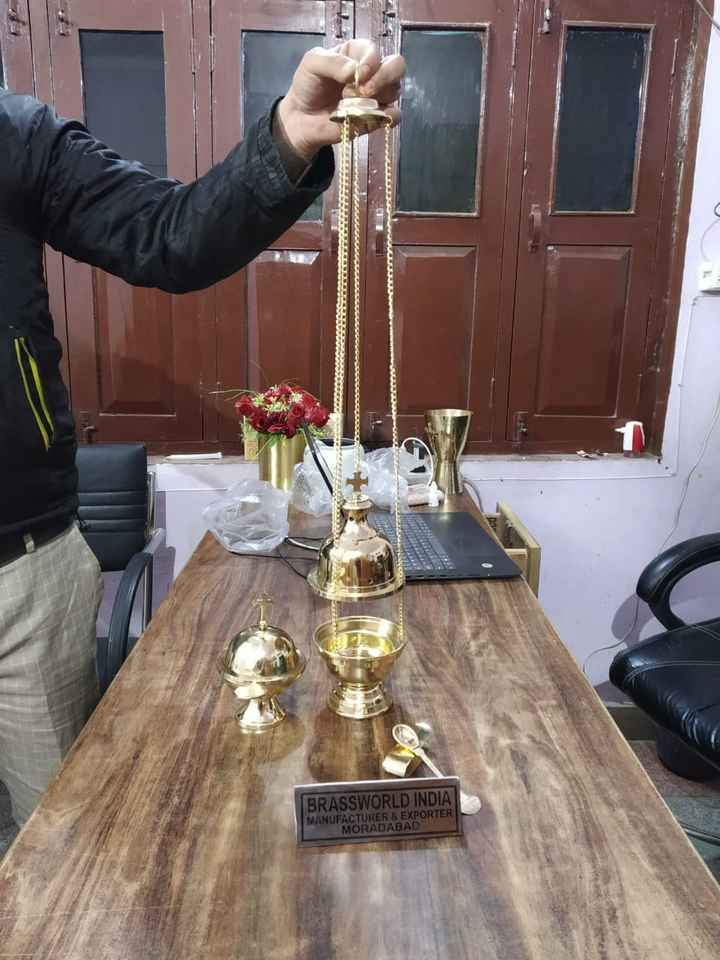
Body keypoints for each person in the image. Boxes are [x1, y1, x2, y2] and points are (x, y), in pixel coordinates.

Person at [0, 40, 404, 827]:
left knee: (58, 842)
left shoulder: (13, 137)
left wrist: (290, 136)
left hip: (22, 572)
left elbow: (169, 234)